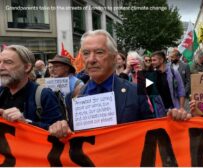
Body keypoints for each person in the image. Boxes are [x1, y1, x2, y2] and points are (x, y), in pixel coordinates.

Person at [48, 30, 191, 138]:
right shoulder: (74, 97)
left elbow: (153, 132)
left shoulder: (139, 88)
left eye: (99, 52)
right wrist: (61, 130)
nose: (91, 59)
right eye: (86, 53)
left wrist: (174, 121)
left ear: (114, 57)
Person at [0, 45, 62, 130]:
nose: (1, 67)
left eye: (8, 62)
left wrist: (26, 123)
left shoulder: (45, 96)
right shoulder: (1, 92)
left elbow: (58, 134)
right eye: (0, 62)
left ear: (26, 67)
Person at [169, 48, 191, 112]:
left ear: (178, 57)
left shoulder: (185, 66)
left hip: (184, 96)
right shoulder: (169, 66)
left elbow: (188, 81)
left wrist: (184, 92)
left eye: (173, 57)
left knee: (184, 112)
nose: (171, 59)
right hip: (173, 95)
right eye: (171, 57)